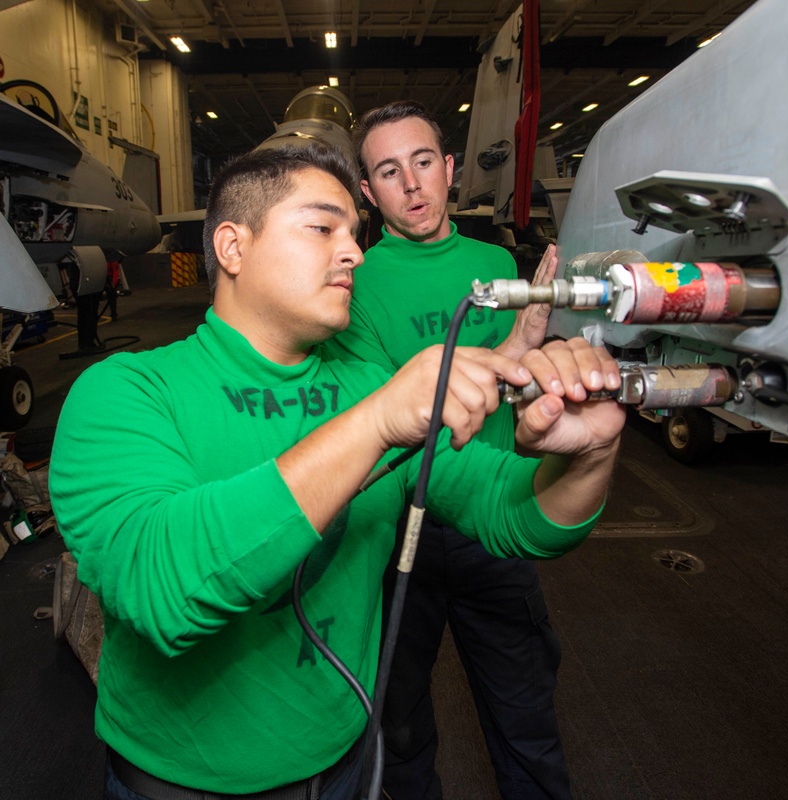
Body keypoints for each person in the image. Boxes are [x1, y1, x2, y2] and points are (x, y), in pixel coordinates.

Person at [48, 140, 625, 800]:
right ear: (233, 248)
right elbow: (163, 590)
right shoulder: (127, 391)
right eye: (323, 227)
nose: (353, 251)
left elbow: (511, 513)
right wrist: (376, 420)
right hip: (185, 785)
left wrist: (589, 455)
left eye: (355, 231)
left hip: (349, 769)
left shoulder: (365, 384)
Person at [329, 100, 572, 800]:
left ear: (451, 169)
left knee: (526, 723)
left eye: (424, 161)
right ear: (368, 194)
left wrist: (531, 363)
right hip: (397, 527)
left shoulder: (495, 263)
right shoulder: (358, 283)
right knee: (399, 733)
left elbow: (511, 389)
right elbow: (388, 419)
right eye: (389, 171)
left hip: (494, 520)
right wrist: (511, 349)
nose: (412, 184)